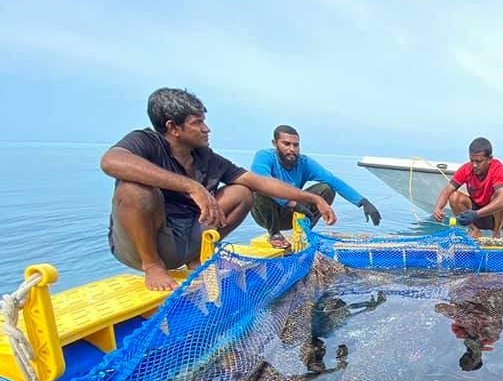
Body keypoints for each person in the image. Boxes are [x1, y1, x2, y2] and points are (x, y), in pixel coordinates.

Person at [101, 88, 336, 291]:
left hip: (185, 241)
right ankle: (152, 265)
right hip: (144, 245)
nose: (206, 129)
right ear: (173, 128)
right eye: (197, 123)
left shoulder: (206, 157)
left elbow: (258, 181)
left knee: (242, 192)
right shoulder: (146, 142)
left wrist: (312, 197)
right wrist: (191, 186)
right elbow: (111, 161)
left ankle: (197, 256)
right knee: (134, 190)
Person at [251, 125, 382, 249]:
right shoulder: (264, 156)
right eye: (286, 144)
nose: (292, 149)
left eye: (296, 145)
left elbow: (333, 180)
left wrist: (363, 202)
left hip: (292, 214)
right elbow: (261, 181)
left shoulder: (303, 162)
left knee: (326, 189)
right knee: (259, 188)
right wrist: (292, 203)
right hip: (266, 214)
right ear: (275, 144)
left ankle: (304, 233)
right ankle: (274, 235)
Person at [432, 137, 503, 239]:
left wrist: (476, 214)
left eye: (479, 161)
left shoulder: (497, 168)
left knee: (500, 197)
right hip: (476, 214)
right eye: (472, 160)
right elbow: (447, 190)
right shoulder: (466, 168)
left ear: (489, 159)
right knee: (454, 196)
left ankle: (496, 233)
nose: (474, 165)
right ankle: (475, 230)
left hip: (495, 217)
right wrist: (438, 208)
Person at [434, 285, 503, 371]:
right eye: (473, 357)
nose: (470, 353)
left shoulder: (464, 330)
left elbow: (440, 307)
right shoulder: (491, 334)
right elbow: (491, 316)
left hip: (470, 293)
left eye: (468, 355)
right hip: (488, 289)